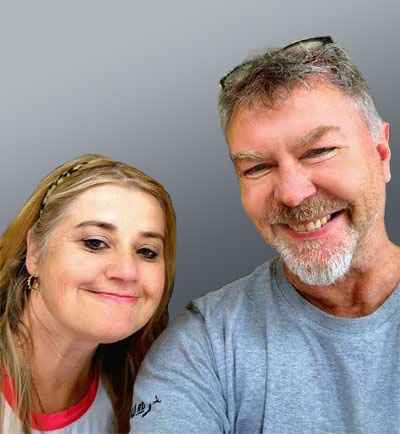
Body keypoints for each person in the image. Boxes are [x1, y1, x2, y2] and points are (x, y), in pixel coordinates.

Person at [132, 36, 400, 433]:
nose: (292, 193)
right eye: (257, 168)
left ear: (381, 154)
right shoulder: (204, 347)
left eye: (319, 151)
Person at [0, 153, 176, 433]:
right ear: (34, 252)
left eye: (146, 251)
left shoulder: (147, 396)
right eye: (95, 243)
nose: (126, 271)